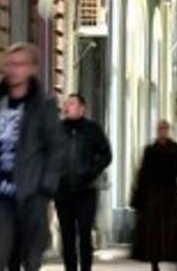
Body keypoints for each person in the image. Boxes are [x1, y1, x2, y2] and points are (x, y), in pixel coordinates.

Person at [0, 42, 65, 271]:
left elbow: (56, 147)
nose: (14, 69)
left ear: (32, 68)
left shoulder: (43, 105)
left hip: (31, 192)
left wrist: (46, 187)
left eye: (20, 64)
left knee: (31, 259)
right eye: (10, 64)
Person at [55, 94, 112, 271]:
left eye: (71, 104)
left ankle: (86, 267)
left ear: (82, 108)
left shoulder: (92, 130)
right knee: (67, 235)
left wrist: (91, 172)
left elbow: (106, 155)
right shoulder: (57, 129)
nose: (66, 107)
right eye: (65, 104)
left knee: (85, 233)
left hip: (86, 190)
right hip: (63, 191)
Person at [131, 120, 177, 270]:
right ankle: (154, 263)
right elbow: (143, 174)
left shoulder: (175, 149)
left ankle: (175, 259)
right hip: (153, 196)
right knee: (153, 230)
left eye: (164, 129)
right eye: (160, 129)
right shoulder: (150, 150)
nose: (162, 131)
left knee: (172, 228)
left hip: (169, 195)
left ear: (168, 131)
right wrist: (138, 198)